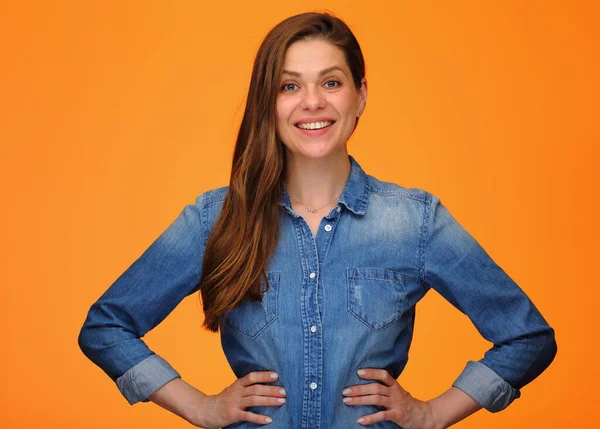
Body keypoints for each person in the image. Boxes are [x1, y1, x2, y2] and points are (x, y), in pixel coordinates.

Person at [78, 11, 557, 429]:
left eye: (331, 82)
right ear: (268, 101)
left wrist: (432, 415)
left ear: (360, 95)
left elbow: (526, 337)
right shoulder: (216, 219)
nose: (312, 102)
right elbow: (107, 327)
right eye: (290, 85)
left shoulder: (414, 221)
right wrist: (199, 407)